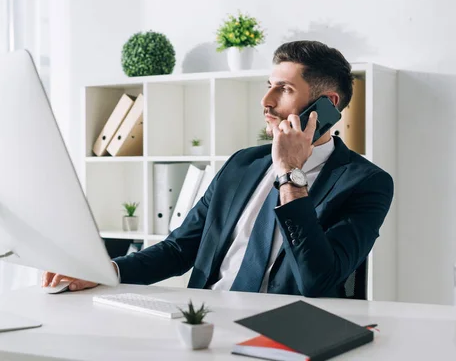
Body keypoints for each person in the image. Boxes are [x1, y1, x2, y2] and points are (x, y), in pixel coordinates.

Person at [42, 40, 394, 298]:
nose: (267, 101)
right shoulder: (243, 163)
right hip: (205, 322)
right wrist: (107, 271)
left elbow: (318, 279)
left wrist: (290, 173)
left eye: (283, 89)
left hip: (287, 334)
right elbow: (180, 249)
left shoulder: (366, 183)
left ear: (327, 105)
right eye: (268, 86)